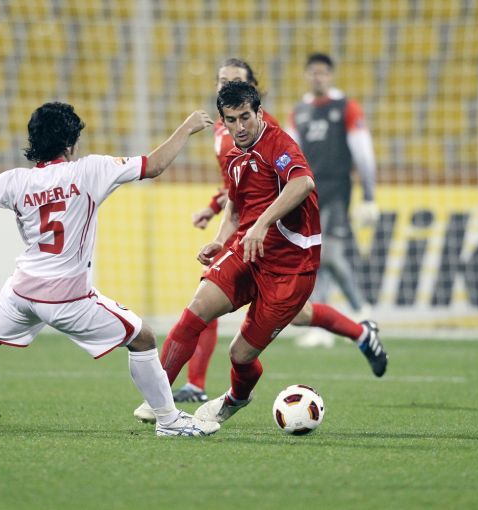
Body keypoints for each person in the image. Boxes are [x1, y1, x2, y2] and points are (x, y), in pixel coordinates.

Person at [0, 102, 220, 437]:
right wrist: (187, 128)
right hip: (67, 297)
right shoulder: (90, 170)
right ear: (70, 144)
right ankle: (169, 421)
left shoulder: (14, 180)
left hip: (21, 291)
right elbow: (154, 166)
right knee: (143, 339)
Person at [135, 82, 388, 426]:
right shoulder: (233, 156)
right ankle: (159, 400)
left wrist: (262, 223)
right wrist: (221, 240)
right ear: (223, 121)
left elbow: (303, 183)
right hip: (247, 251)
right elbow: (236, 207)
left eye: (245, 117)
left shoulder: (278, 143)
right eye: (231, 120)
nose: (239, 127)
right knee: (196, 310)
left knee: (240, 354)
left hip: (290, 269)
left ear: (258, 112)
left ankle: (236, 398)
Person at [287, 53, 380, 348]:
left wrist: (368, 195)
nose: (318, 77)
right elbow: (288, 155)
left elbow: (363, 152)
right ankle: (330, 323)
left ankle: (358, 312)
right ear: (306, 76)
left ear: (330, 75)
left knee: (328, 254)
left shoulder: (346, 107)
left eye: (323, 72)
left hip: (338, 192)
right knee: (314, 257)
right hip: (308, 194)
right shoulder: (299, 111)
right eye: (313, 72)